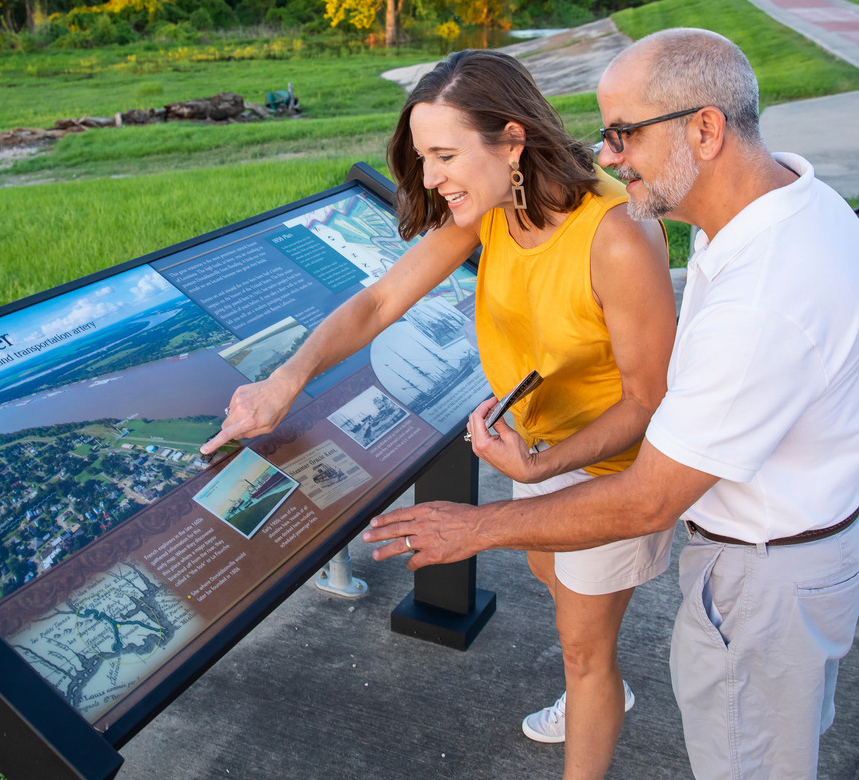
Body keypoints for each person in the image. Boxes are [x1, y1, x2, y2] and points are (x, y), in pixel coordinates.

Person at [362, 27, 859, 779]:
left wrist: (476, 526)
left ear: (704, 129)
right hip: (799, 549)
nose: (605, 155)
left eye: (624, 134)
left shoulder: (760, 292)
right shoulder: (786, 206)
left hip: (764, 577)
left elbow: (646, 499)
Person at [202, 48, 677, 779]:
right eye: (423, 156)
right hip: (534, 446)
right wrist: (286, 378)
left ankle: (595, 694)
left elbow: (649, 402)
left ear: (511, 141)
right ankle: (599, 687)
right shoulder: (490, 207)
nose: (429, 177)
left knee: (584, 647)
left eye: (445, 153)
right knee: (554, 582)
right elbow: (378, 302)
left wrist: (543, 464)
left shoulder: (618, 237)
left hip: (605, 468)